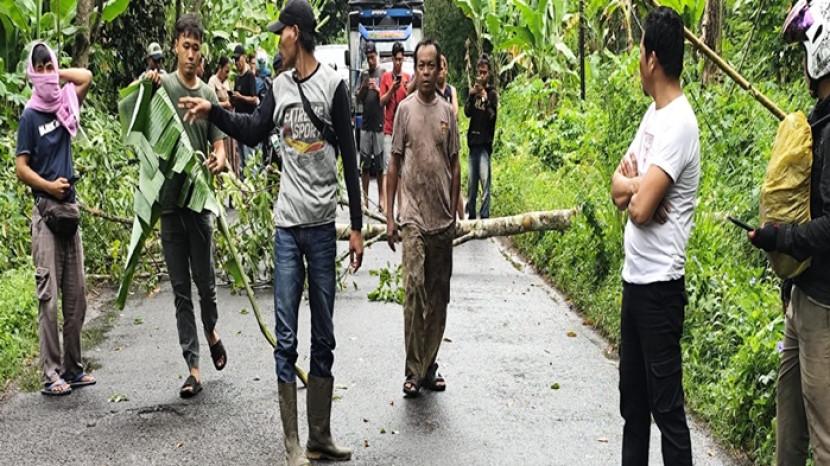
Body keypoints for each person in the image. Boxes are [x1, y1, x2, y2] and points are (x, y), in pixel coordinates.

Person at [178, 0, 364, 463]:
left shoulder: (334, 86)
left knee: (324, 335)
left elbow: (351, 160)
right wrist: (213, 110)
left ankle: (319, 435)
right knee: (286, 338)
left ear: (295, 33)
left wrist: (358, 227)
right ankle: (292, 443)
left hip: (322, 228)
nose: (277, 39)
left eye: (281, 32)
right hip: (286, 229)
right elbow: (251, 131)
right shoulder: (278, 87)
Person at [610, 7, 700, 465]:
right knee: (634, 408)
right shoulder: (654, 115)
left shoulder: (679, 123)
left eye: (640, 50)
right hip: (635, 282)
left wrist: (638, 191)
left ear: (652, 59)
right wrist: (639, 184)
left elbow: (641, 209)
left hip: (661, 290)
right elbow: (617, 189)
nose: (638, 60)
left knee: (667, 412)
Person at [749, 1, 830, 463]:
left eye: (804, 49)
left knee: (825, 441)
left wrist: (781, 239)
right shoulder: (819, 121)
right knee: (789, 435)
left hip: (823, 306)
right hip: (802, 295)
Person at [142, 14, 229, 399]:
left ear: (201, 51)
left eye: (196, 48)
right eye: (185, 46)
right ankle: (193, 368)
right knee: (180, 290)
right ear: (175, 47)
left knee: (205, 285)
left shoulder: (208, 94)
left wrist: (218, 162)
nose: (191, 54)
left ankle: (211, 330)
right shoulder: (162, 86)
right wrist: (147, 85)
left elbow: (219, 146)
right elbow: (141, 122)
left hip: (199, 204)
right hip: (169, 205)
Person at [15, 42, 96, 397]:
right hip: (46, 213)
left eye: (50, 65)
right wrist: (48, 186)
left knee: (77, 296)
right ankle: (51, 373)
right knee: (49, 299)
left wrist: (56, 75)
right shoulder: (30, 117)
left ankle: (74, 368)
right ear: (32, 72)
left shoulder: (65, 101)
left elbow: (86, 76)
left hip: (70, 212)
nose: (47, 72)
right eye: (41, 68)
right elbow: (21, 168)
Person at [386, 38, 460, 399]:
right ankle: (413, 370)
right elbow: (394, 163)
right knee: (414, 289)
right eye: (422, 65)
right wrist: (390, 217)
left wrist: (455, 208)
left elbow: (455, 164)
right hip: (413, 216)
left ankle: (429, 364)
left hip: (441, 218)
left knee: (438, 295)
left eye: (432, 65)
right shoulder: (404, 110)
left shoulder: (448, 113)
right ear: (416, 69)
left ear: (439, 68)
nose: (427, 72)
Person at [464, 53, 498, 220]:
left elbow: (492, 117)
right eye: (480, 72)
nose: (482, 75)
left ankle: (485, 218)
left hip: (485, 144)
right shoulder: (474, 92)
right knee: (472, 185)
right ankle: (471, 216)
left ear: (489, 73)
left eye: (484, 72)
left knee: (485, 183)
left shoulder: (492, 94)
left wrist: (485, 99)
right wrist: (472, 96)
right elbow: (467, 113)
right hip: (473, 143)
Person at [356, 41, 386, 212]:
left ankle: (381, 198)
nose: (371, 61)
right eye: (368, 58)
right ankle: (365, 199)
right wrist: (364, 87)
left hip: (379, 123)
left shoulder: (383, 73)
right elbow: (358, 98)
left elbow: (387, 97)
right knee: (365, 164)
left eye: (372, 57)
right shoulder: (364, 75)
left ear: (377, 55)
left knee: (380, 165)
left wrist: (378, 89)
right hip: (366, 124)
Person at [380, 41, 411, 190]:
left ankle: (401, 202)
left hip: (403, 130)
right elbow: (381, 101)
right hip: (389, 129)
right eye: (396, 59)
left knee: (402, 171)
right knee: (388, 168)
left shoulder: (407, 77)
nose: (398, 62)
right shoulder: (386, 77)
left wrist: (407, 89)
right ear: (392, 59)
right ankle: (387, 202)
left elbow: (411, 102)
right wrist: (392, 89)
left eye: (401, 59)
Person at [437, 54, 463, 219]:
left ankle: (462, 218)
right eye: (438, 68)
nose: (440, 72)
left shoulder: (450, 90)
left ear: (446, 70)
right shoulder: (431, 92)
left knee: (455, 179)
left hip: (451, 138)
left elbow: (455, 113)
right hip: (436, 139)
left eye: (442, 68)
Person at [208, 56, 238, 176]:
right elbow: (211, 103)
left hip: (228, 121)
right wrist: (225, 104)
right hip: (218, 124)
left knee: (231, 152)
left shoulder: (226, 82)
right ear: (220, 68)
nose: (227, 74)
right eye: (226, 71)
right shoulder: (212, 81)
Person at [231, 45, 259, 173]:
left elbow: (255, 99)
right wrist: (233, 99)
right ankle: (244, 182)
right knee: (241, 159)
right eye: (235, 60)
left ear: (244, 58)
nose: (236, 62)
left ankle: (253, 180)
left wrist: (240, 97)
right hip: (238, 122)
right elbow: (236, 99)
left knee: (249, 157)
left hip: (248, 123)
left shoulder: (250, 76)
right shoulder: (237, 78)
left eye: (238, 59)